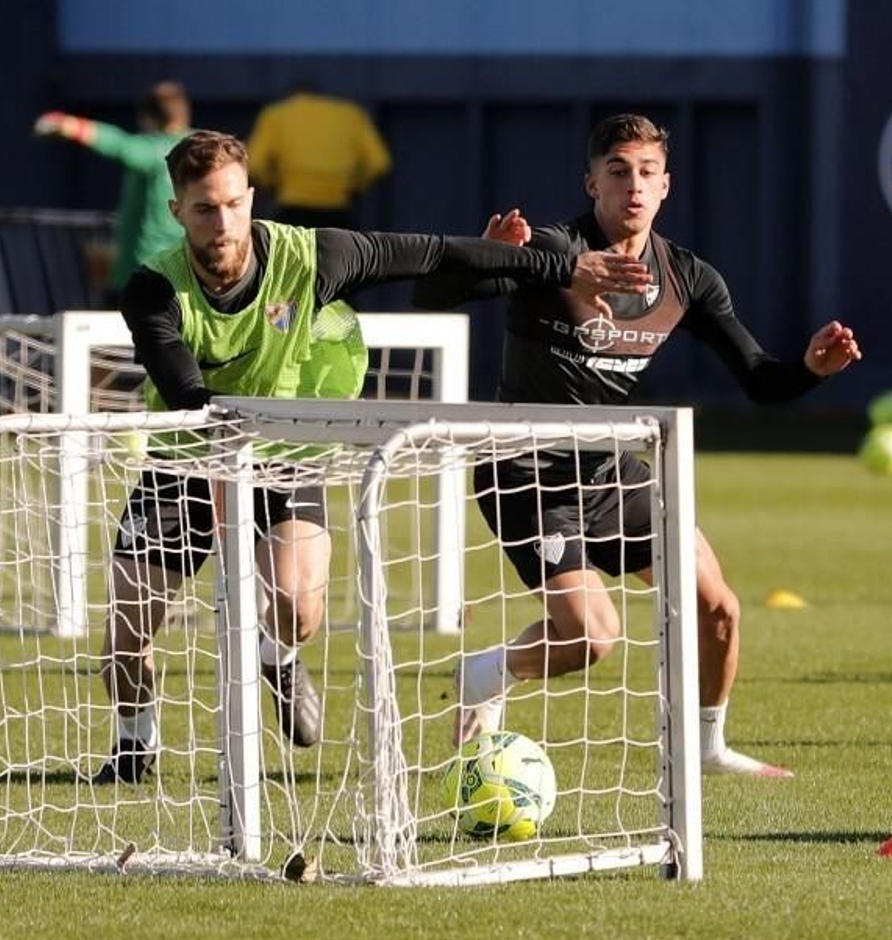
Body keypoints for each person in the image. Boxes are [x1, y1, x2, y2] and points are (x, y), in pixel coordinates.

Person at [93, 130, 652, 783]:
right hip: (185, 459)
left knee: (301, 607)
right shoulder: (153, 290)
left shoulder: (311, 255)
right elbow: (187, 390)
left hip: (280, 450)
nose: (222, 223)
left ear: (251, 197)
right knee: (127, 637)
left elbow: (426, 252)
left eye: (232, 204)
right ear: (176, 213)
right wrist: (218, 469)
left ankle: (276, 653)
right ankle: (135, 740)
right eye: (203, 210)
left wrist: (549, 265)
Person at [412, 114, 861, 778]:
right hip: (526, 474)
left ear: (667, 186)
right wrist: (487, 253)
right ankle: (489, 670)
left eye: (648, 173)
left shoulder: (687, 277)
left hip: (611, 471)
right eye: (618, 171)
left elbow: (761, 380)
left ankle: (706, 747)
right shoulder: (551, 249)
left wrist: (810, 370)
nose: (634, 186)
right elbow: (431, 294)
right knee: (593, 639)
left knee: (719, 607)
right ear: (591, 182)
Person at [34, 81, 193, 301]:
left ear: (148, 118)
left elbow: (119, 145)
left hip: (142, 277)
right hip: (185, 278)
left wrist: (68, 125)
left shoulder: (150, 150)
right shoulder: (197, 151)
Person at [247, 81, 392, 229]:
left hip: (292, 209)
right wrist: (355, 186)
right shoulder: (351, 115)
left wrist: (273, 185)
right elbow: (379, 162)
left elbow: (255, 164)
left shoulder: (276, 114)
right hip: (337, 211)